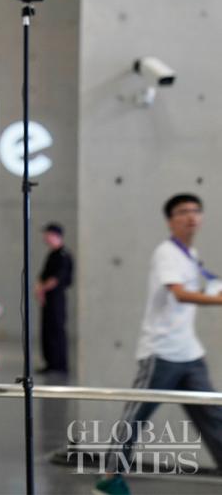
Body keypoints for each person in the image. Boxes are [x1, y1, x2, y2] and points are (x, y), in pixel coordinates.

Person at [95, 194, 222, 495]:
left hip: (190, 354)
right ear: (170, 220)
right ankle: (110, 480)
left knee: (214, 417)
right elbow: (179, 293)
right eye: (183, 211)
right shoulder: (166, 253)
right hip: (161, 354)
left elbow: (198, 286)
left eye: (196, 211)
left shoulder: (190, 254)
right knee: (135, 417)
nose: (191, 216)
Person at [34, 222, 74, 375]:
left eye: (48, 234)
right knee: (47, 330)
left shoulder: (63, 255)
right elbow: (43, 275)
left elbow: (57, 279)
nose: (45, 238)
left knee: (56, 330)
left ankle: (59, 365)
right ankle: (50, 363)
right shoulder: (52, 254)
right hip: (48, 298)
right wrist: (39, 289)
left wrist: (42, 289)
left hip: (56, 298)